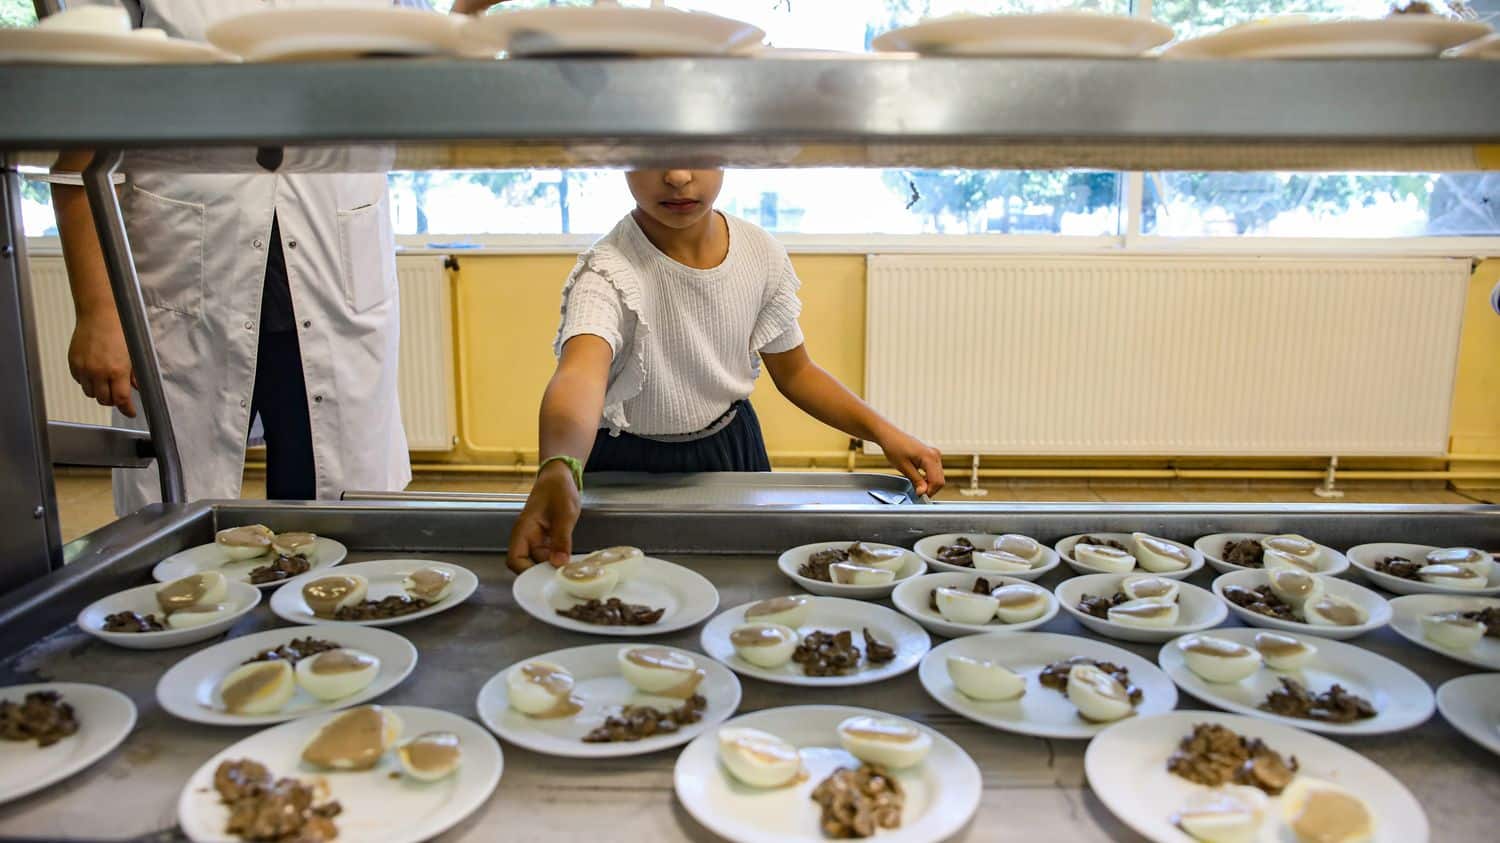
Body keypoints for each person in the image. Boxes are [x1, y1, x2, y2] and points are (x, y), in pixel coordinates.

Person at [54, 0, 502, 514]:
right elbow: (79, 145)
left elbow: (425, 80)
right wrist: (98, 309)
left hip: (332, 274)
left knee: (333, 521)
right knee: (177, 521)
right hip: (184, 286)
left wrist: (468, 11)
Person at [507, 169, 944, 572]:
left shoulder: (759, 253)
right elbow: (580, 374)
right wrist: (560, 465)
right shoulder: (606, 271)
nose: (677, 176)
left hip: (731, 451)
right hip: (625, 461)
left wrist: (885, 432)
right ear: (620, 156)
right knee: (629, 590)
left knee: (743, 576)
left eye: (697, 152)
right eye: (653, 153)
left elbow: (797, 372)